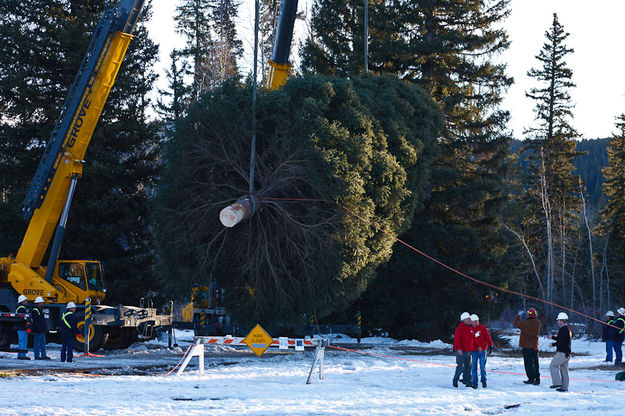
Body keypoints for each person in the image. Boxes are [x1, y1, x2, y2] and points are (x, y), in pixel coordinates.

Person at [513, 307, 542, 385]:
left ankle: (531, 379)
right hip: (535, 346)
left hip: (526, 346)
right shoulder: (538, 323)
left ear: (528, 315)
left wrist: (519, 315)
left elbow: (516, 323)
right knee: (536, 362)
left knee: (528, 363)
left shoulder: (524, 323)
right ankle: (537, 379)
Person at [548, 312, 572, 392]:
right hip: (567, 353)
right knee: (564, 369)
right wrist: (553, 337)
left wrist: (553, 344)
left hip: (562, 352)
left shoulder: (563, 329)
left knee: (553, 366)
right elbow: (561, 339)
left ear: (562, 321)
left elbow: (562, 341)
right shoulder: (567, 329)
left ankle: (557, 383)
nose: (557, 322)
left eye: (558, 320)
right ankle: (564, 387)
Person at [469, 314, 493, 388]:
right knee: (473, 367)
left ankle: (483, 381)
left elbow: (487, 337)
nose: (475, 323)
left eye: (476, 321)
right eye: (473, 321)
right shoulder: (470, 329)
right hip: (473, 351)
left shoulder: (482, 328)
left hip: (483, 351)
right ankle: (475, 383)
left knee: (482, 367)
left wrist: (490, 346)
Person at [452, 312, 474, 388]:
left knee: (468, 367)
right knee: (460, 367)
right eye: (468, 318)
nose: (470, 320)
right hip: (461, 351)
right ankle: (455, 380)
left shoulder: (472, 328)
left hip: (469, 351)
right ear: (464, 320)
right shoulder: (459, 329)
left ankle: (468, 382)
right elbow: (456, 340)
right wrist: (458, 349)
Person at [14, 295, 31, 360]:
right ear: (22, 302)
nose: (27, 302)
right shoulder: (22, 309)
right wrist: (28, 326)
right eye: (25, 301)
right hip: (21, 328)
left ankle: (21, 354)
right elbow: (24, 319)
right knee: (22, 341)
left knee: (22, 341)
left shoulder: (21, 308)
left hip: (21, 327)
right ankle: (22, 355)